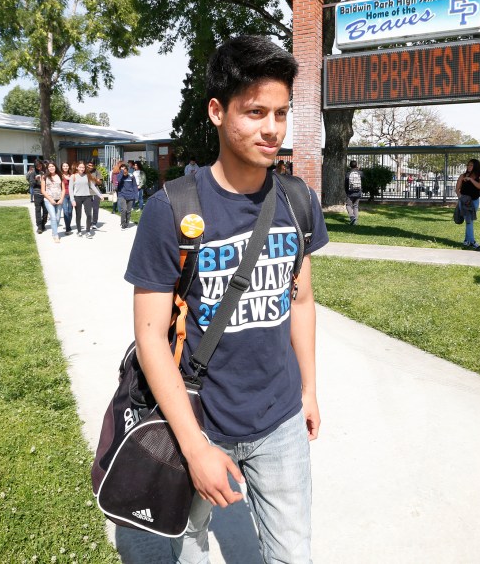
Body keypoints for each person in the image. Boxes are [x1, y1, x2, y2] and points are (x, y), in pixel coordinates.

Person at [125, 34, 329, 563]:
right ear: (217, 111)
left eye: (281, 113)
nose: (272, 129)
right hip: (198, 420)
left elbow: (301, 302)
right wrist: (194, 448)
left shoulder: (298, 201)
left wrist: (308, 390)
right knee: (191, 547)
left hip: (280, 417)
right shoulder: (169, 209)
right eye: (256, 111)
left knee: (293, 555)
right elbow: (148, 336)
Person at [455, 158, 480, 250]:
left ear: (475, 166)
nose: (469, 167)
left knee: (469, 220)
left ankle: (466, 241)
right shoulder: (462, 176)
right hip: (464, 201)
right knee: (469, 220)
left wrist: (471, 180)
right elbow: (457, 189)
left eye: (471, 165)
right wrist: (461, 198)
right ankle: (472, 241)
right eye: (468, 165)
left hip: (475, 201)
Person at [70, 160, 102, 238]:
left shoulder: (87, 176)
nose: (82, 168)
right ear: (77, 167)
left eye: (83, 167)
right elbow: (70, 189)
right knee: (78, 215)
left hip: (87, 197)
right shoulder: (73, 176)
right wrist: (72, 200)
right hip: (77, 197)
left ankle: (88, 231)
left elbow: (92, 186)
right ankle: (79, 231)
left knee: (89, 214)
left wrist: (100, 195)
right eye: (80, 167)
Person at [40, 161, 66, 243]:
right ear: (47, 168)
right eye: (49, 167)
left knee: (58, 218)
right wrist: (50, 199)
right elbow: (43, 191)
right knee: (53, 217)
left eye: (53, 166)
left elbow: (63, 189)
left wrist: (61, 199)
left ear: (55, 167)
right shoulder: (44, 177)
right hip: (48, 200)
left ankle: (54, 230)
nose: (51, 168)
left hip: (59, 199)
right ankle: (55, 235)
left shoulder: (60, 176)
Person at [115, 163, 138, 229]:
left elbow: (134, 186)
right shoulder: (119, 176)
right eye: (122, 169)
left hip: (130, 195)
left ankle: (127, 223)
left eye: (125, 169)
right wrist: (121, 172)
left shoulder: (131, 176)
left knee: (129, 211)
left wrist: (136, 196)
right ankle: (123, 223)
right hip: (122, 195)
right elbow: (118, 180)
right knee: (124, 209)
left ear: (127, 170)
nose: (124, 170)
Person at [344, 159, 363, 225]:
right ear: (356, 165)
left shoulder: (348, 174)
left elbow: (346, 184)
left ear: (350, 166)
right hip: (358, 192)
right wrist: (359, 169)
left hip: (350, 192)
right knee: (356, 206)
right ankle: (355, 221)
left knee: (348, 205)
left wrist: (347, 192)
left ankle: (352, 217)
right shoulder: (360, 173)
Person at [59, 162, 74, 235]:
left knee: (70, 211)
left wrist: (70, 179)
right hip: (63, 195)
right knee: (65, 211)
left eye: (67, 166)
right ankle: (68, 228)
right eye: (64, 166)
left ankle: (68, 225)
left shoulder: (72, 175)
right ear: (62, 167)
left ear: (68, 167)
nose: (65, 167)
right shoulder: (60, 175)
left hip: (71, 195)